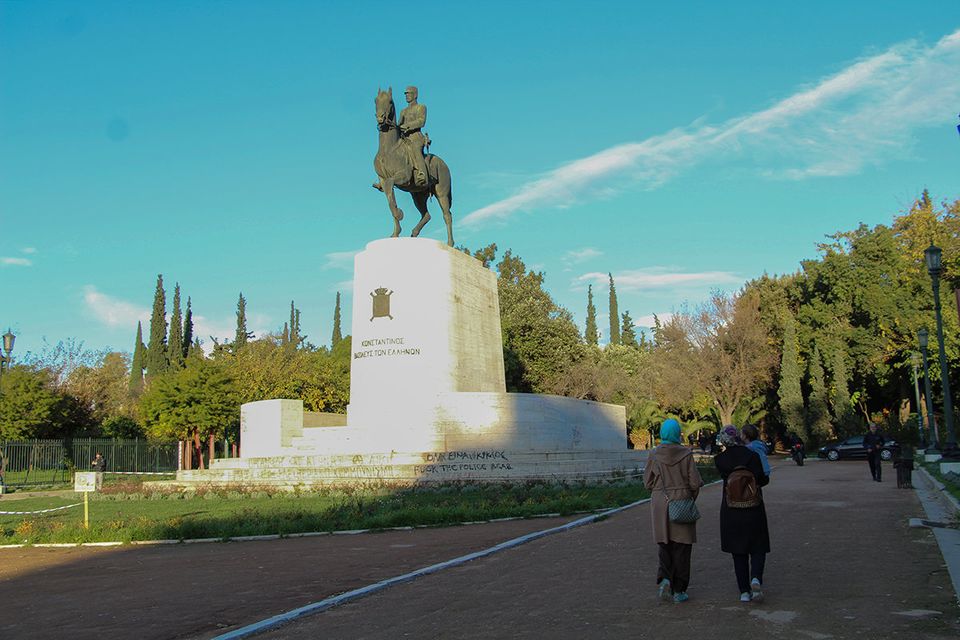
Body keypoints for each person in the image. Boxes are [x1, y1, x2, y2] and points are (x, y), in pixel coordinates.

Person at [643, 418, 704, 604]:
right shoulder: (686, 454)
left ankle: (665, 579)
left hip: (661, 502)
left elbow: (647, 482)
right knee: (682, 547)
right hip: (682, 499)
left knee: (665, 544)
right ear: (678, 433)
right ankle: (679, 591)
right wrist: (688, 498)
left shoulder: (654, 454)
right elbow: (695, 482)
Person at [715, 425, 770, 603]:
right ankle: (756, 578)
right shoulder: (752, 456)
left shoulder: (720, 460)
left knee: (738, 550)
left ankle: (744, 591)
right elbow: (763, 479)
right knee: (758, 545)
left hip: (731, 508)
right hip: (754, 506)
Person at [399, 86, 429, 187]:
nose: (407, 96)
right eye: (406, 94)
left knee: (416, 150)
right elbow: (399, 125)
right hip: (405, 138)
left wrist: (407, 126)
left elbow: (421, 121)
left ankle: (422, 174)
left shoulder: (421, 107)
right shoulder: (403, 111)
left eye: (409, 93)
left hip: (416, 137)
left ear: (415, 95)